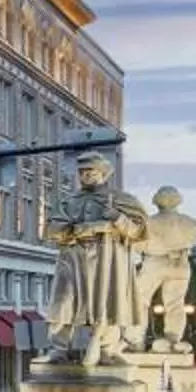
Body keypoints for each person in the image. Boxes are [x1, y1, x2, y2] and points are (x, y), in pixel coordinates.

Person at [42, 154, 145, 365]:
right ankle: (59, 348)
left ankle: (107, 349)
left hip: (109, 260)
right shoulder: (67, 201)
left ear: (103, 174)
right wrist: (80, 229)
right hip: (74, 258)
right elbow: (53, 230)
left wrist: (117, 218)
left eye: (91, 171)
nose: (86, 175)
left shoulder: (122, 200)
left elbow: (139, 231)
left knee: (108, 301)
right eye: (82, 172)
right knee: (64, 302)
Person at [131, 187, 196, 352]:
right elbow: (192, 241)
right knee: (176, 302)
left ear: (156, 201)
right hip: (181, 263)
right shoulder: (191, 223)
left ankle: (134, 339)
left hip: (155, 261)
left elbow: (138, 247)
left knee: (139, 299)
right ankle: (174, 338)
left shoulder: (148, 223)